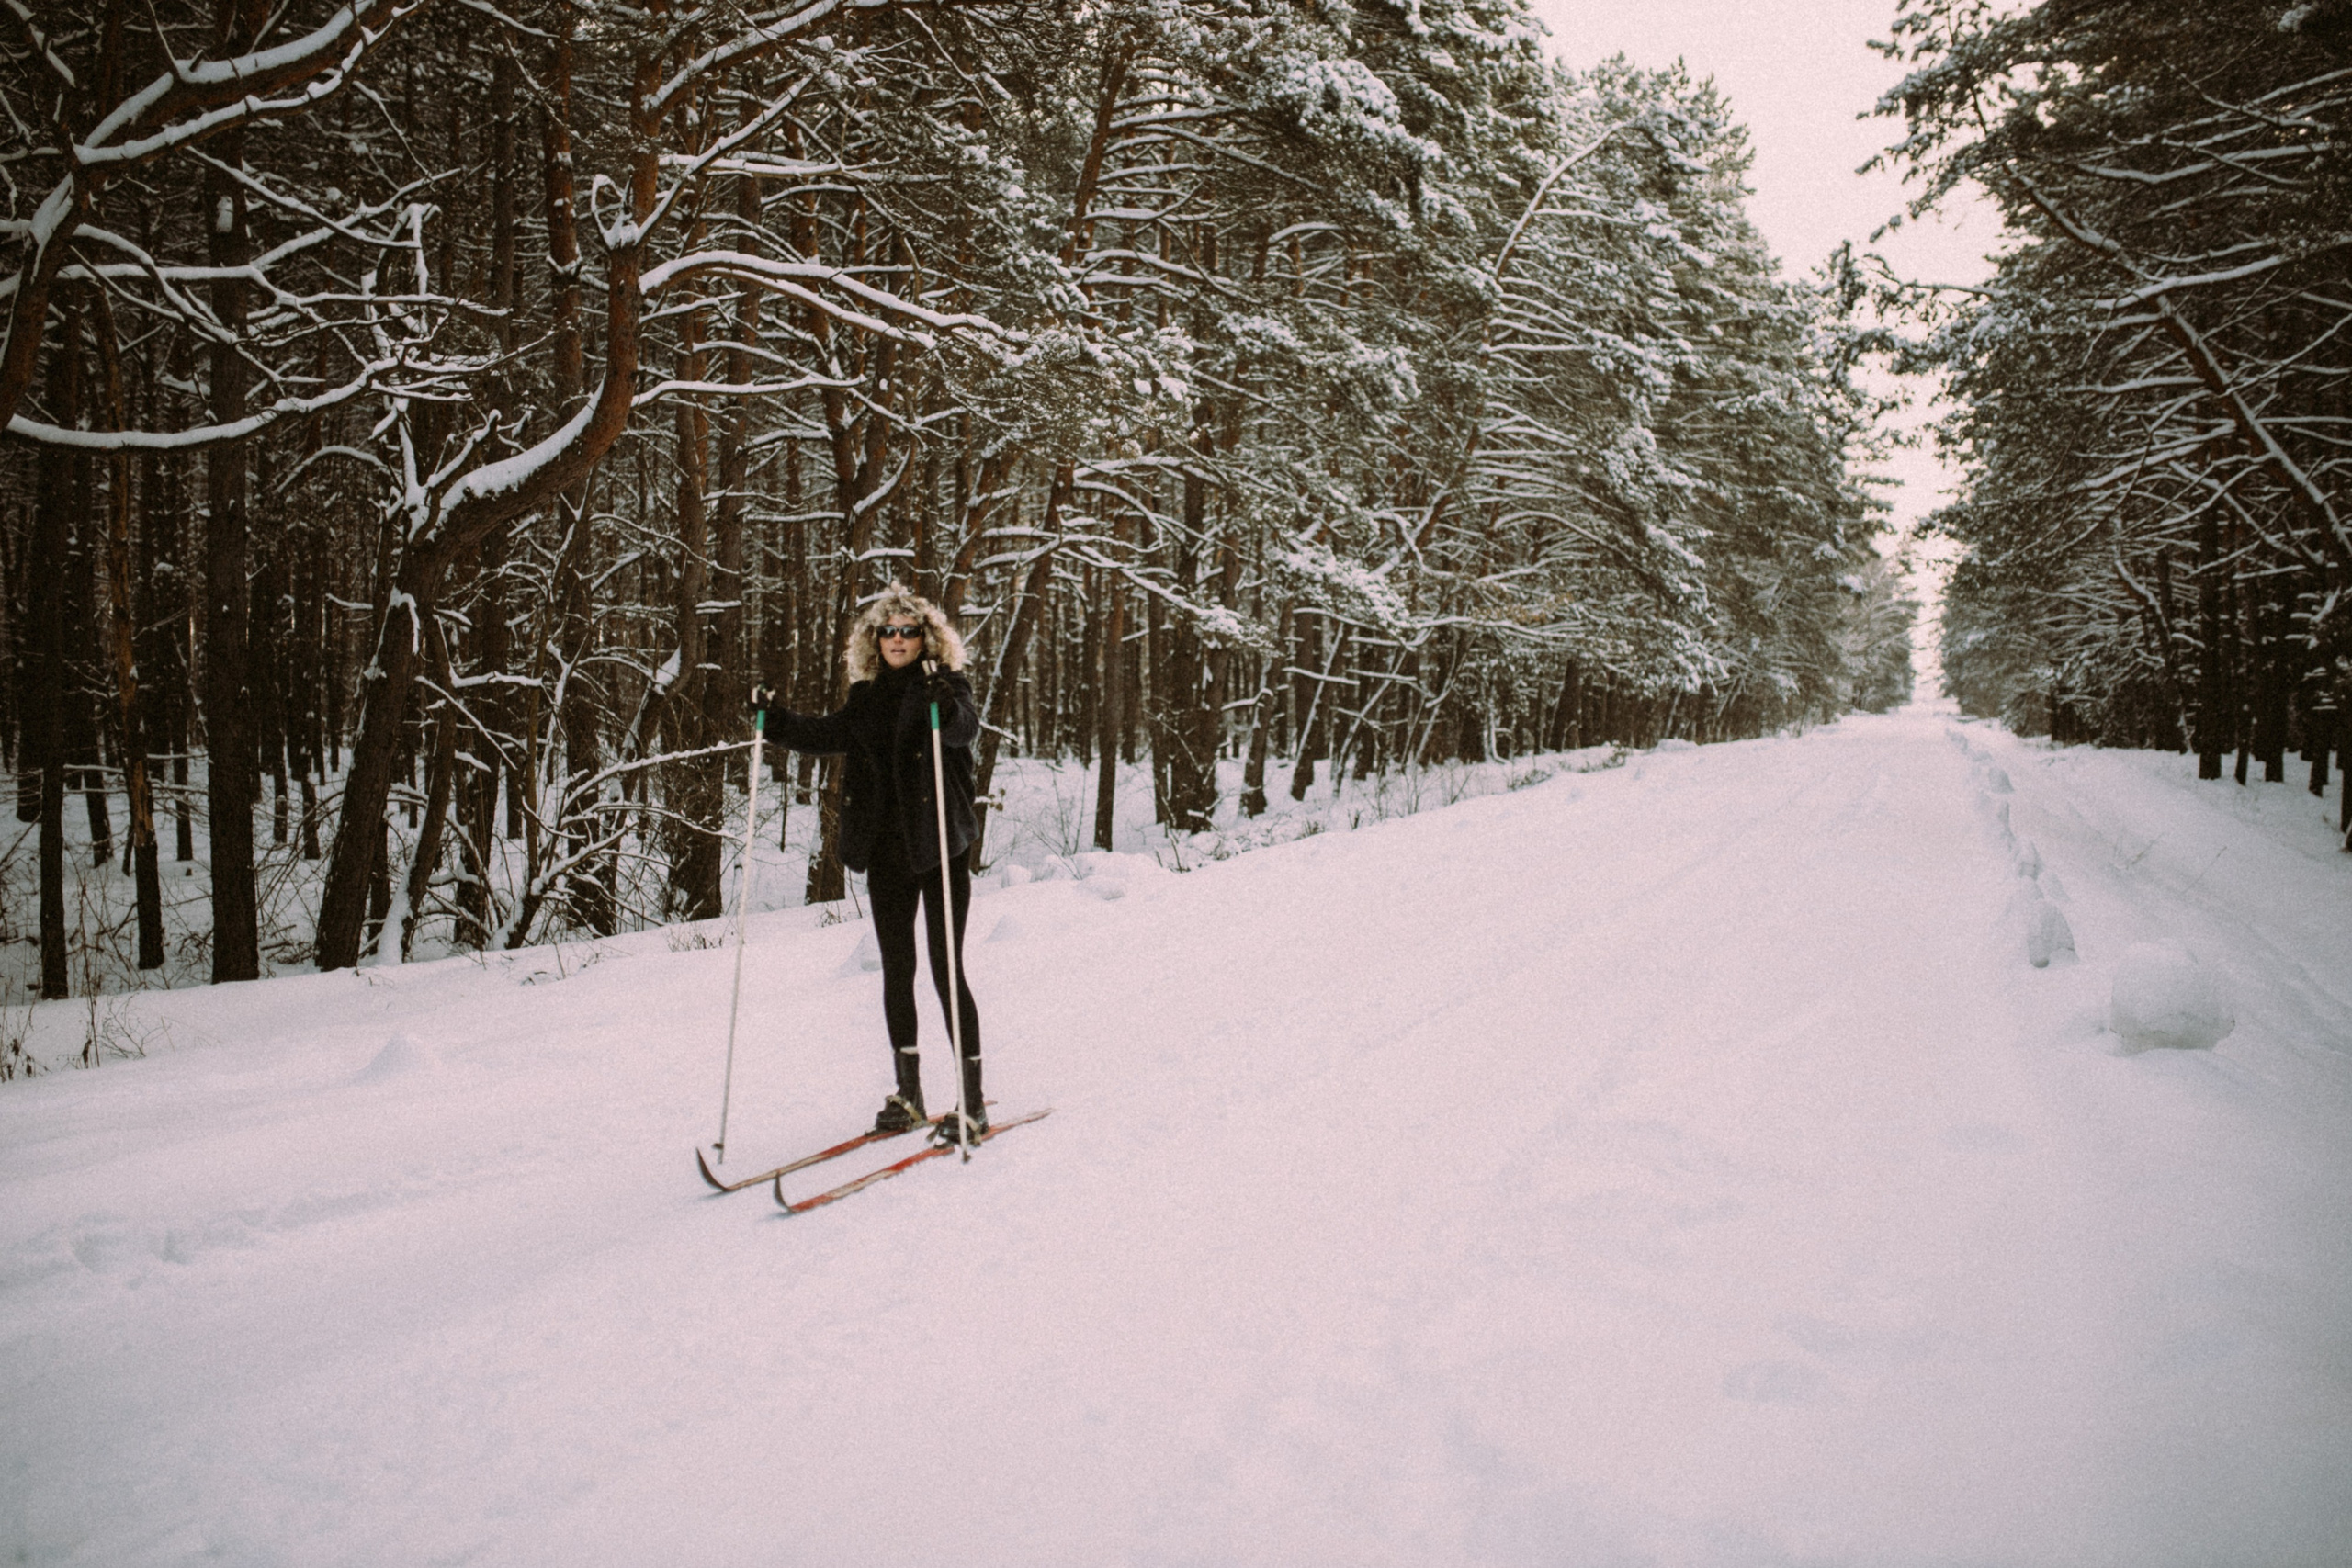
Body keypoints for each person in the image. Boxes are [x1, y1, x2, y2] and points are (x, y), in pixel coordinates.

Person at [750, 586, 987, 1145]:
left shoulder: (947, 687)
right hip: (887, 848)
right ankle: (909, 1095)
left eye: (908, 630)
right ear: (874, 641)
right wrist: (775, 720)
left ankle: (971, 1101)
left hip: (939, 846)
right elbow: (827, 734)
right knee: (897, 968)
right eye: (888, 631)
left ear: (926, 637)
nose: (898, 639)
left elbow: (964, 728)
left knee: (945, 968)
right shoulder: (867, 697)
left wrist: (945, 705)